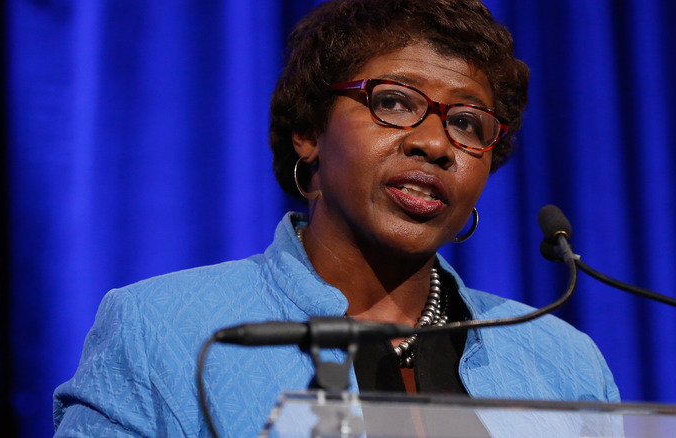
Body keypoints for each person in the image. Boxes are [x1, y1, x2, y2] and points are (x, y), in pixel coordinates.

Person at [53, 0, 620, 436]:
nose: (436, 143)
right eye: (395, 101)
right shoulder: (163, 330)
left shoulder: (560, 360)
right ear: (308, 131)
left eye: (469, 123)